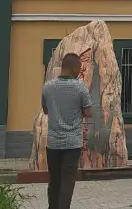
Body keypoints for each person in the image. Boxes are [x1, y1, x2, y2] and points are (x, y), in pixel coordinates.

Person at [41, 52, 92, 209]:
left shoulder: (48, 87)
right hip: (72, 143)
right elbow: (88, 113)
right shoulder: (80, 87)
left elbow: (46, 110)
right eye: (80, 68)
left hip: (53, 143)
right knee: (67, 182)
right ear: (75, 67)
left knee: (54, 180)